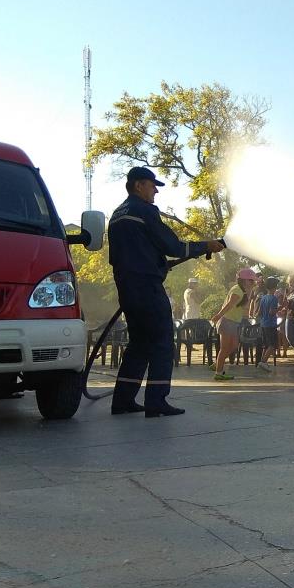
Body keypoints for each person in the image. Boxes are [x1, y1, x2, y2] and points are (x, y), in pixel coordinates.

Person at [107, 166, 224, 417]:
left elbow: (131, 253)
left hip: (127, 287)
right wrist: (206, 245)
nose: (156, 192)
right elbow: (172, 245)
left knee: (138, 344)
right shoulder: (144, 210)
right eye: (152, 186)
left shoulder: (117, 215)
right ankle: (156, 401)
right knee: (162, 341)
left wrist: (157, 263)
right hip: (148, 287)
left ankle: (123, 400)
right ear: (139, 185)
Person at [211, 268, 256, 381]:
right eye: (251, 280)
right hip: (227, 321)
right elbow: (229, 305)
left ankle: (218, 363)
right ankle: (218, 373)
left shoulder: (244, 290)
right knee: (224, 348)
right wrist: (218, 316)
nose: (253, 282)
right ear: (244, 280)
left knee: (234, 345)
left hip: (234, 322)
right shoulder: (237, 290)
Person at [256, 276, 280, 373]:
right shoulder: (274, 298)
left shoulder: (263, 297)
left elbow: (259, 312)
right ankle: (263, 362)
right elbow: (271, 312)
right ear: (274, 287)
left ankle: (261, 362)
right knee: (272, 345)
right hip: (271, 324)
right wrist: (281, 307)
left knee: (266, 345)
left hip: (263, 324)